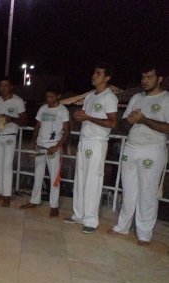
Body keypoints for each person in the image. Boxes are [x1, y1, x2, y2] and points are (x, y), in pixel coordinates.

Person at [108, 65, 169, 246]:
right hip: (131, 148)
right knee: (128, 191)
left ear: (159, 79)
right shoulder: (135, 98)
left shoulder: (166, 99)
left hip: (152, 150)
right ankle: (122, 226)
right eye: (143, 77)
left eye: (149, 77)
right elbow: (123, 126)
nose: (144, 81)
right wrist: (130, 120)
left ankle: (144, 234)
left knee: (147, 194)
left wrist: (144, 120)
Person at [63, 63, 118, 234]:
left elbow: (112, 123)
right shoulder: (89, 97)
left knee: (93, 180)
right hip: (84, 139)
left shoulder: (109, 97)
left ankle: (91, 220)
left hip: (97, 142)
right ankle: (78, 214)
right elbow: (87, 116)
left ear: (107, 78)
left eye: (98, 73)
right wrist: (80, 117)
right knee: (80, 178)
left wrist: (88, 117)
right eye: (94, 72)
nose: (94, 75)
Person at [20, 83, 70, 216]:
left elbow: (67, 132)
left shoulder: (62, 110)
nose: (49, 99)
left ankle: (54, 206)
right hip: (40, 145)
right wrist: (33, 141)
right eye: (47, 96)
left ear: (58, 96)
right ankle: (34, 200)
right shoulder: (42, 108)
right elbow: (37, 126)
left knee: (54, 176)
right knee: (38, 174)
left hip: (53, 147)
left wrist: (57, 146)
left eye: (52, 97)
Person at [0, 77, 28, 207]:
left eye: (6, 85)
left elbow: (25, 121)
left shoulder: (18, 101)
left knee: (7, 165)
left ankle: (7, 196)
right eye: (1, 85)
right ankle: (2, 192)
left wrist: (12, 119)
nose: (3, 88)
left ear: (11, 87)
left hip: (10, 135)